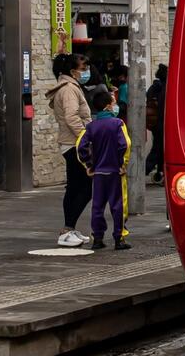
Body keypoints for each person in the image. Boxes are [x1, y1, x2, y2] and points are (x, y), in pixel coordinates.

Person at [46, 53, 93, 248]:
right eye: (83, 69)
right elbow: (72, 116)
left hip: (74, 143)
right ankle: (67, 229)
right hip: (75, 144)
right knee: (84, 187)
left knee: (76, 187)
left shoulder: (69, 87)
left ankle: (70, 228)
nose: (86, 72)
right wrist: (86, 138)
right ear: (72, 71)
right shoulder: (69, 90)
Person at [77, 91, 132, 251]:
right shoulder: (118, 124)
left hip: (99, 173)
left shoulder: (91, 126)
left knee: (97, 206)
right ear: (108, 105)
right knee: (118, 205)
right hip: (115, 172)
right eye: (113, 102)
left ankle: (98, 238)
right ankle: (119, 238)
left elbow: (81, 146)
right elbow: (125, 144)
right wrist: (123, 164)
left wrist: (88, 165)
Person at [145, 64, 168, 183]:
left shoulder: (155, 86)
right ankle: (145, 169)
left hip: (156, 123)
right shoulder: (165, 87)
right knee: (159, 148)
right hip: (163, 123)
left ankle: (160, 171)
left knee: (160, 148)